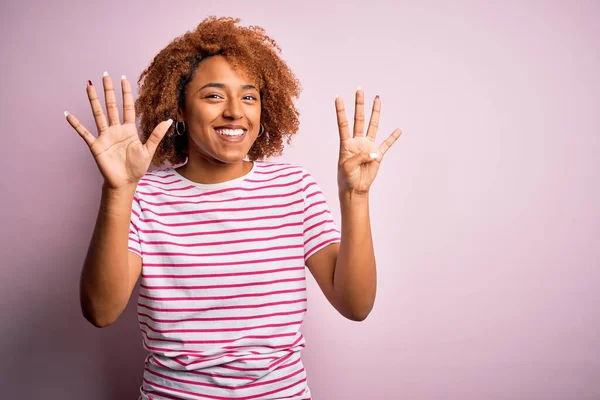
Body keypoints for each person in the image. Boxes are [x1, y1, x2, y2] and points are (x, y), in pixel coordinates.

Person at [65, 16, 401, 400]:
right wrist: (118, 191)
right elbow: (101, 311)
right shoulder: (144, 196)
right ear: (179, 110)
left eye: (248, 96)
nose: (234, 112)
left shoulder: (295, 189)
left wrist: (355, 198)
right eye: (213, 95)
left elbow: (355, 305)